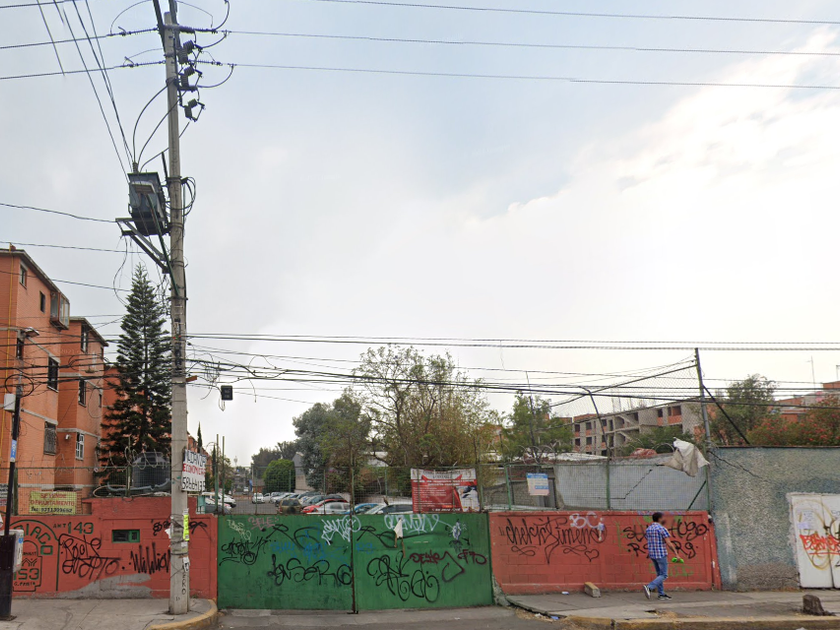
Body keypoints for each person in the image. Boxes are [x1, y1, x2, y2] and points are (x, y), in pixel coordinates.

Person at [642, 512, 681, 601]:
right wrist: (676, 553)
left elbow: (648, 539)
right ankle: (649, 587)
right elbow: (668, 542)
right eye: (663, 518)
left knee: (659, 574)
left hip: (652, 554)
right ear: (659, 519)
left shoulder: (648, 529)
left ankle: (661, 594)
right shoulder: (662, 529)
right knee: (664, 575)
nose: (664, 519)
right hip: (661, 554)